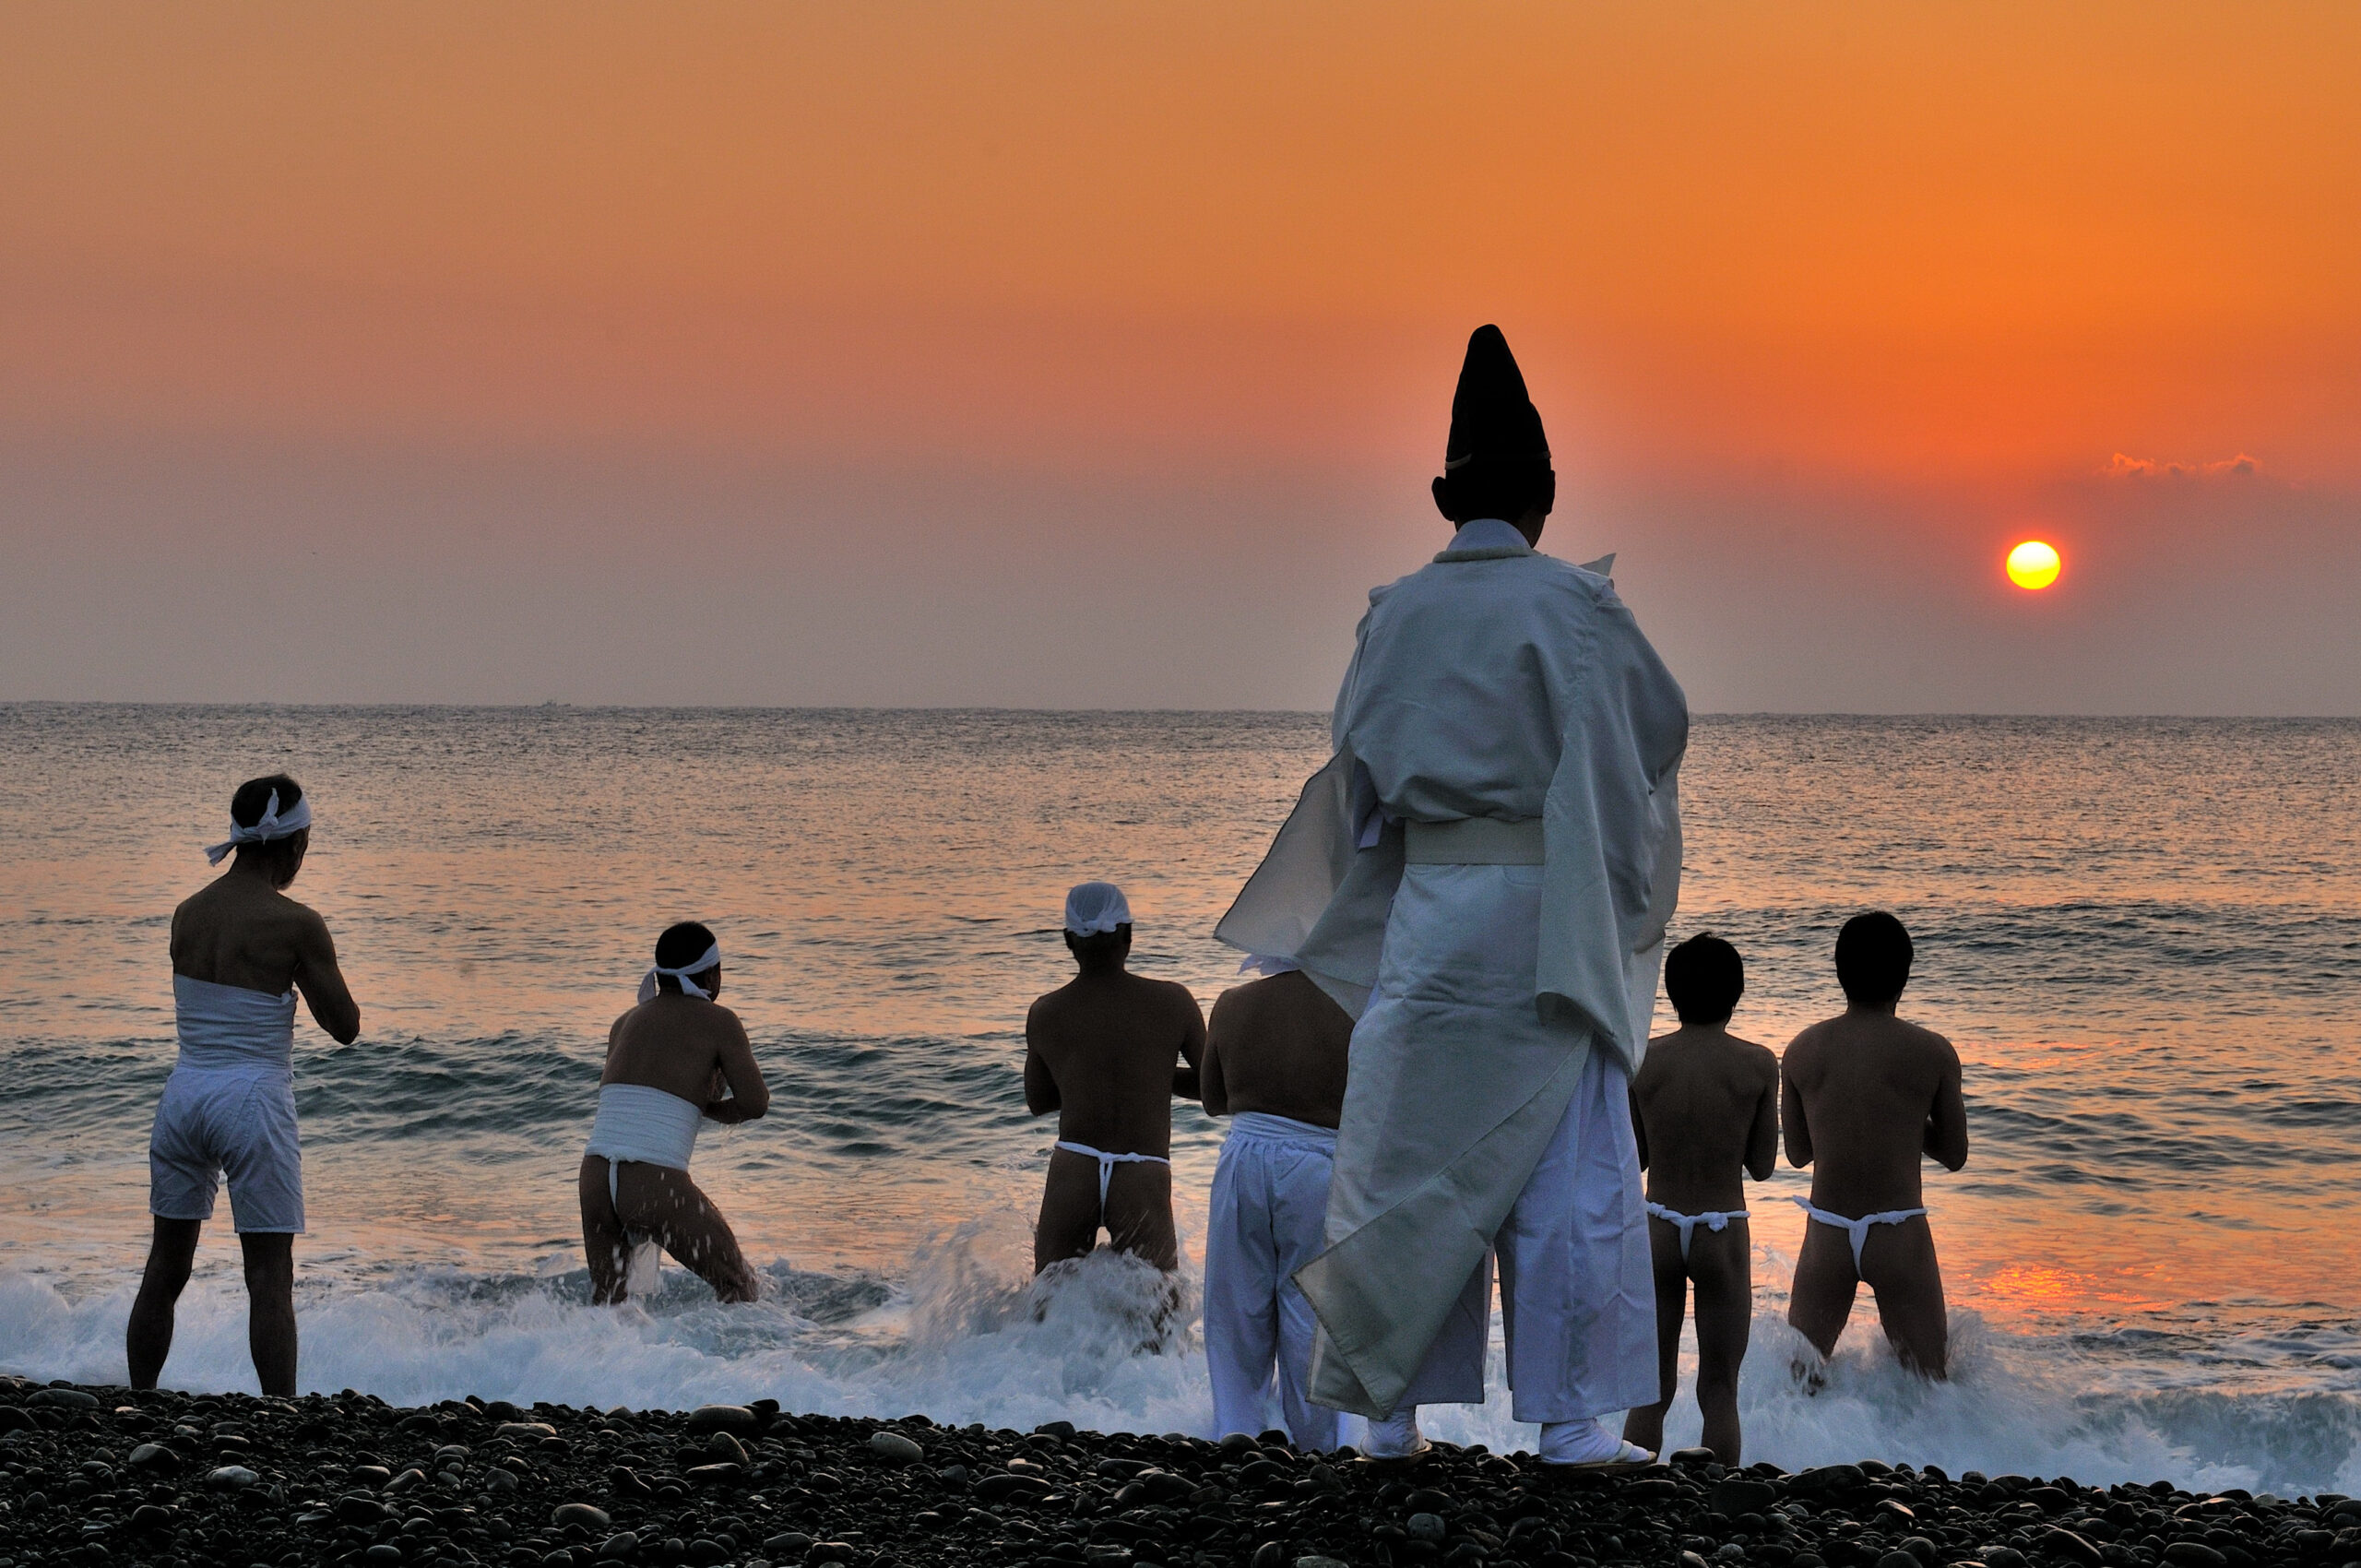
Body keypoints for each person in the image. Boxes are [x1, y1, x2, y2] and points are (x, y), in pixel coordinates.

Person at [1216, 325, 1687, 1465]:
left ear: (1442, 497)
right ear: (1546, 495)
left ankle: (1388, 1414)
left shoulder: (1394, 612)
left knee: (1404, 1163)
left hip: (1429, 910)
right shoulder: (1578, 606)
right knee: (1561, 1171)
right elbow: (1653, 732)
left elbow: (1357, 768)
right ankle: (1567, 1421)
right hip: (1545, 918)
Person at [129, 775, 361, 1396]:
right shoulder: (297, 924)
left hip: (184, 1095)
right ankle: (280, 1414)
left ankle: (139, 1399)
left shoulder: (187, 913)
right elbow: (345, 1026)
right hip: (253, 1099)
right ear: (293, 844)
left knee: (166, 1265)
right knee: (268, 1276)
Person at [1781, 911, 1968, 1377]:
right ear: (1905, 975)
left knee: (1801, 1382)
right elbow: (1955, 1154)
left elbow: (1799, 1154)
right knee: (1929, 1383)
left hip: (1828, 1231)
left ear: (1839, 972)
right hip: (1898, 1230)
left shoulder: (1802, 1049)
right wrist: (1903, 1118)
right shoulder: (1933, 1051)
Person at [1619, 933, 1778, 1465]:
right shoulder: (1757, 1064)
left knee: (1651, 1388)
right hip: (1721, 1226)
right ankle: (1719, 1496)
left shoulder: (1644, 1059)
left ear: (1670, 994)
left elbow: (1637, 1157)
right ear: (1736, 994)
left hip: (1658, 1224)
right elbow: (1762, 1165)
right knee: (1719, 1387)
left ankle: (1637, 1488)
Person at [1200, 955, 1352, 1450]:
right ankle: (1318, 1443)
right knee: (1310, 1309)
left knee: (1235, 1307)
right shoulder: (1355, 1005)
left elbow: (1213, 1101)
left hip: (1245, 1155)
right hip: (1319, 1163)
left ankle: (1235, 1432)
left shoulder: (1232, 1003)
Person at [579, 921, 770, 1305]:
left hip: (595, 1177)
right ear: (711, 975)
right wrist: (709, 1108)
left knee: (607, 1305)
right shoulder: (720, 1021)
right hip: (653, 1181)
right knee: (738, 1285)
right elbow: (755, 1103)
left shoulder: (624, 1022)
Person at [1024, 882, 1205, 1277]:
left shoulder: (1045, 1011)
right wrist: (1152, 1075)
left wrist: (1085, 1080)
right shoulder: (1173, 1001)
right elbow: (1214, 1088)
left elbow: (1038, 1101)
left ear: (1068, 940)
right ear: (1128, 935)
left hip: (1075, 1165)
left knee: (1047, 1299)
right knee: (1159, 1302)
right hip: (1142, 1168)